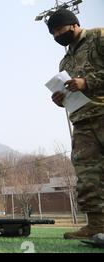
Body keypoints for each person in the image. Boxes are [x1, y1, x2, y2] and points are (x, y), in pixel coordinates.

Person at [47, 9, 104, 239]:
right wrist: (60, 99)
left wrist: (87, 81)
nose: (57, 35)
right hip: (82, 120)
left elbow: (85, 83)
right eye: (53, 33)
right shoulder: (65, 60)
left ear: (74, 24)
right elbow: (71, 90)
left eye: (60, 30)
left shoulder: (99, 37)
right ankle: (97, 225)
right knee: (88, 176)